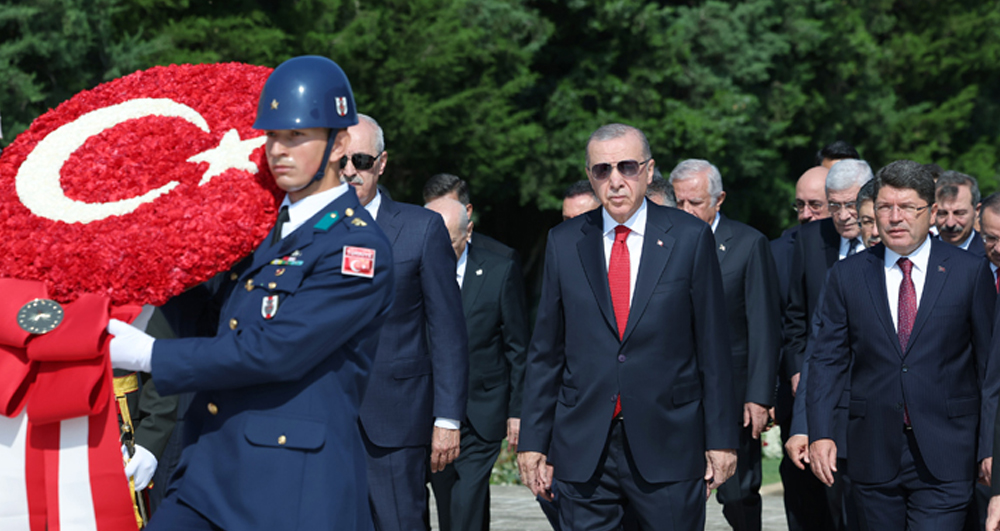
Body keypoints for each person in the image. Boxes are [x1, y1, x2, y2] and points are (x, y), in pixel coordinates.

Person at [106, 55, 395, 530]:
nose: (279, 150)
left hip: (288, 487)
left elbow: (275, 351)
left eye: (296, 136)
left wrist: (151, 355)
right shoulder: (260, 227)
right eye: (272, 136)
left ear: (340, 143)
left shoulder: (356, 248)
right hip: (210, 469)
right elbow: (209, 311)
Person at [518, 123, 738, 530]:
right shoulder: (564, 243)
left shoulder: (689, 238)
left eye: (627, 167)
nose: (615, 180)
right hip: (584, 449)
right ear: (590, 175)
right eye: (602, 170)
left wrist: (721, 440)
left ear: (649, 170)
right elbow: (546, 351)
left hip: (668, 443)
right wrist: (533, 441)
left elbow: (713, 347)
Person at [809, 159, 997, 530]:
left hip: (948, 451)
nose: (895, 218)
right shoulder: (848, 276)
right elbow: (826, 360)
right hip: (872, 450)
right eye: (884, 207)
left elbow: (990, 369)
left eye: (907, 208)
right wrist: (820, 432)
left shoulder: (968, 272)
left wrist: (991, 447)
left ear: (929, 213)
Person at [342, 114, 469, 531]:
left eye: (360, 160)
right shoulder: (308, 228)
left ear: (381, 163)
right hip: (324, 417)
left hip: (395, 421)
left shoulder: (421, 228)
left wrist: (448, 419)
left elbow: (447, 331)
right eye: (339, 160)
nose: (349, 171)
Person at [670, 159, 782, 531]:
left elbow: (763, 324)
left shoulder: (749, 244)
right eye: (679, 202)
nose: (685, 211)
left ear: (719, 200)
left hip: (732, 396)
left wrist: (760, 394)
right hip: (676, 394)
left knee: (737, 493)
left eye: (695, 203)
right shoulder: (662, 242)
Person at [424, 198, 529, 531]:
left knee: (466, 500)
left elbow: (517, 346)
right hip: (431, 409)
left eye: (448, 242)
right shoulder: (415, 273)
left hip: (482, 410)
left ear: (468, 231)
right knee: (447, 501)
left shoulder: (499, 271)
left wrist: (518, 411)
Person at [781, 159, 873, 531]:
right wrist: (798, 372)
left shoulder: (898, 246)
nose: (843, 215)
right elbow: (799, 320)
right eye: (834, 205)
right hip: (823, 388)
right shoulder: (810, 241)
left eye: (851, 205)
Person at [422, 173, 519, 263]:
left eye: (449, 208)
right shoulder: (416, 254)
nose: (440, 218)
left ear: (467, 211)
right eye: (433, 211)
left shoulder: (502, 257)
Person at [935, 170, 984, 255]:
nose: (950, 223)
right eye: (942, 213)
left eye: (959, 213)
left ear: (977, 211)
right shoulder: (918, 254)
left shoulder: (992, 256)